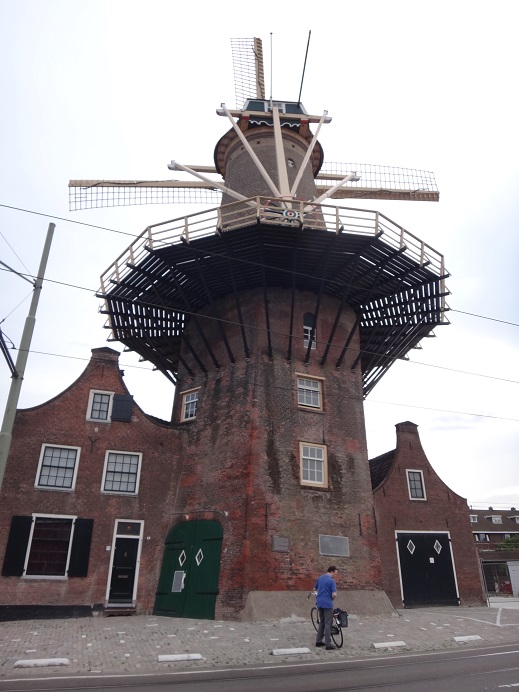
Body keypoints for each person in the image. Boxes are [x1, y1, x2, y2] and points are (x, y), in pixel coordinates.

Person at [314, 565, 339, 650]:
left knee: (322, 622)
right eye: (335, 574)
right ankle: (328, 644)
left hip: (319, 602)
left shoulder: (320, 578)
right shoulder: (331, 581)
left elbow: (315, 589)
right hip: (327, 603)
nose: (335, 575)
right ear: (331, 572)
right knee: (328, 623)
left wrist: (318, 596)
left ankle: (318, 641)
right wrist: (331, 599)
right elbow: (334, 594)